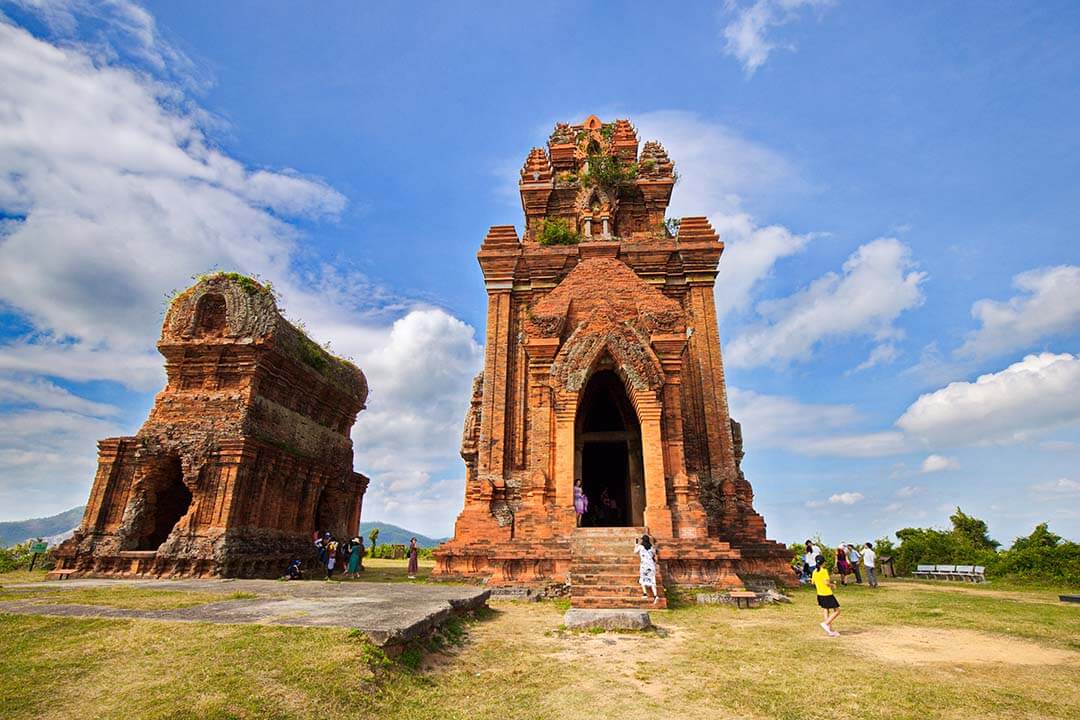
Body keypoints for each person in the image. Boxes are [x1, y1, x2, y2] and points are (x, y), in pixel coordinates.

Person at [812, 554, 841, 636]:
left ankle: (830, 630)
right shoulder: (824, 571)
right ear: (823, 562)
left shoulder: (814, 571)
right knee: (837, 611)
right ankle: (826, 623)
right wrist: (833, 585)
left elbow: (813, 582)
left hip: (820, 594)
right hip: (827, 594)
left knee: (826, 609)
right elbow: (826, 583)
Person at [634, 534, 660, 604]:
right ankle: (655, 596)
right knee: (652, 580)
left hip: (644, 565)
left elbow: (635, 552)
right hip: (651, 565)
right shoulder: (652, 548)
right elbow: (654, 554)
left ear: (642, 540)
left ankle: (645, 594)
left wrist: (636, 544)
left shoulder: (640, 547)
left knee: (642, 579)